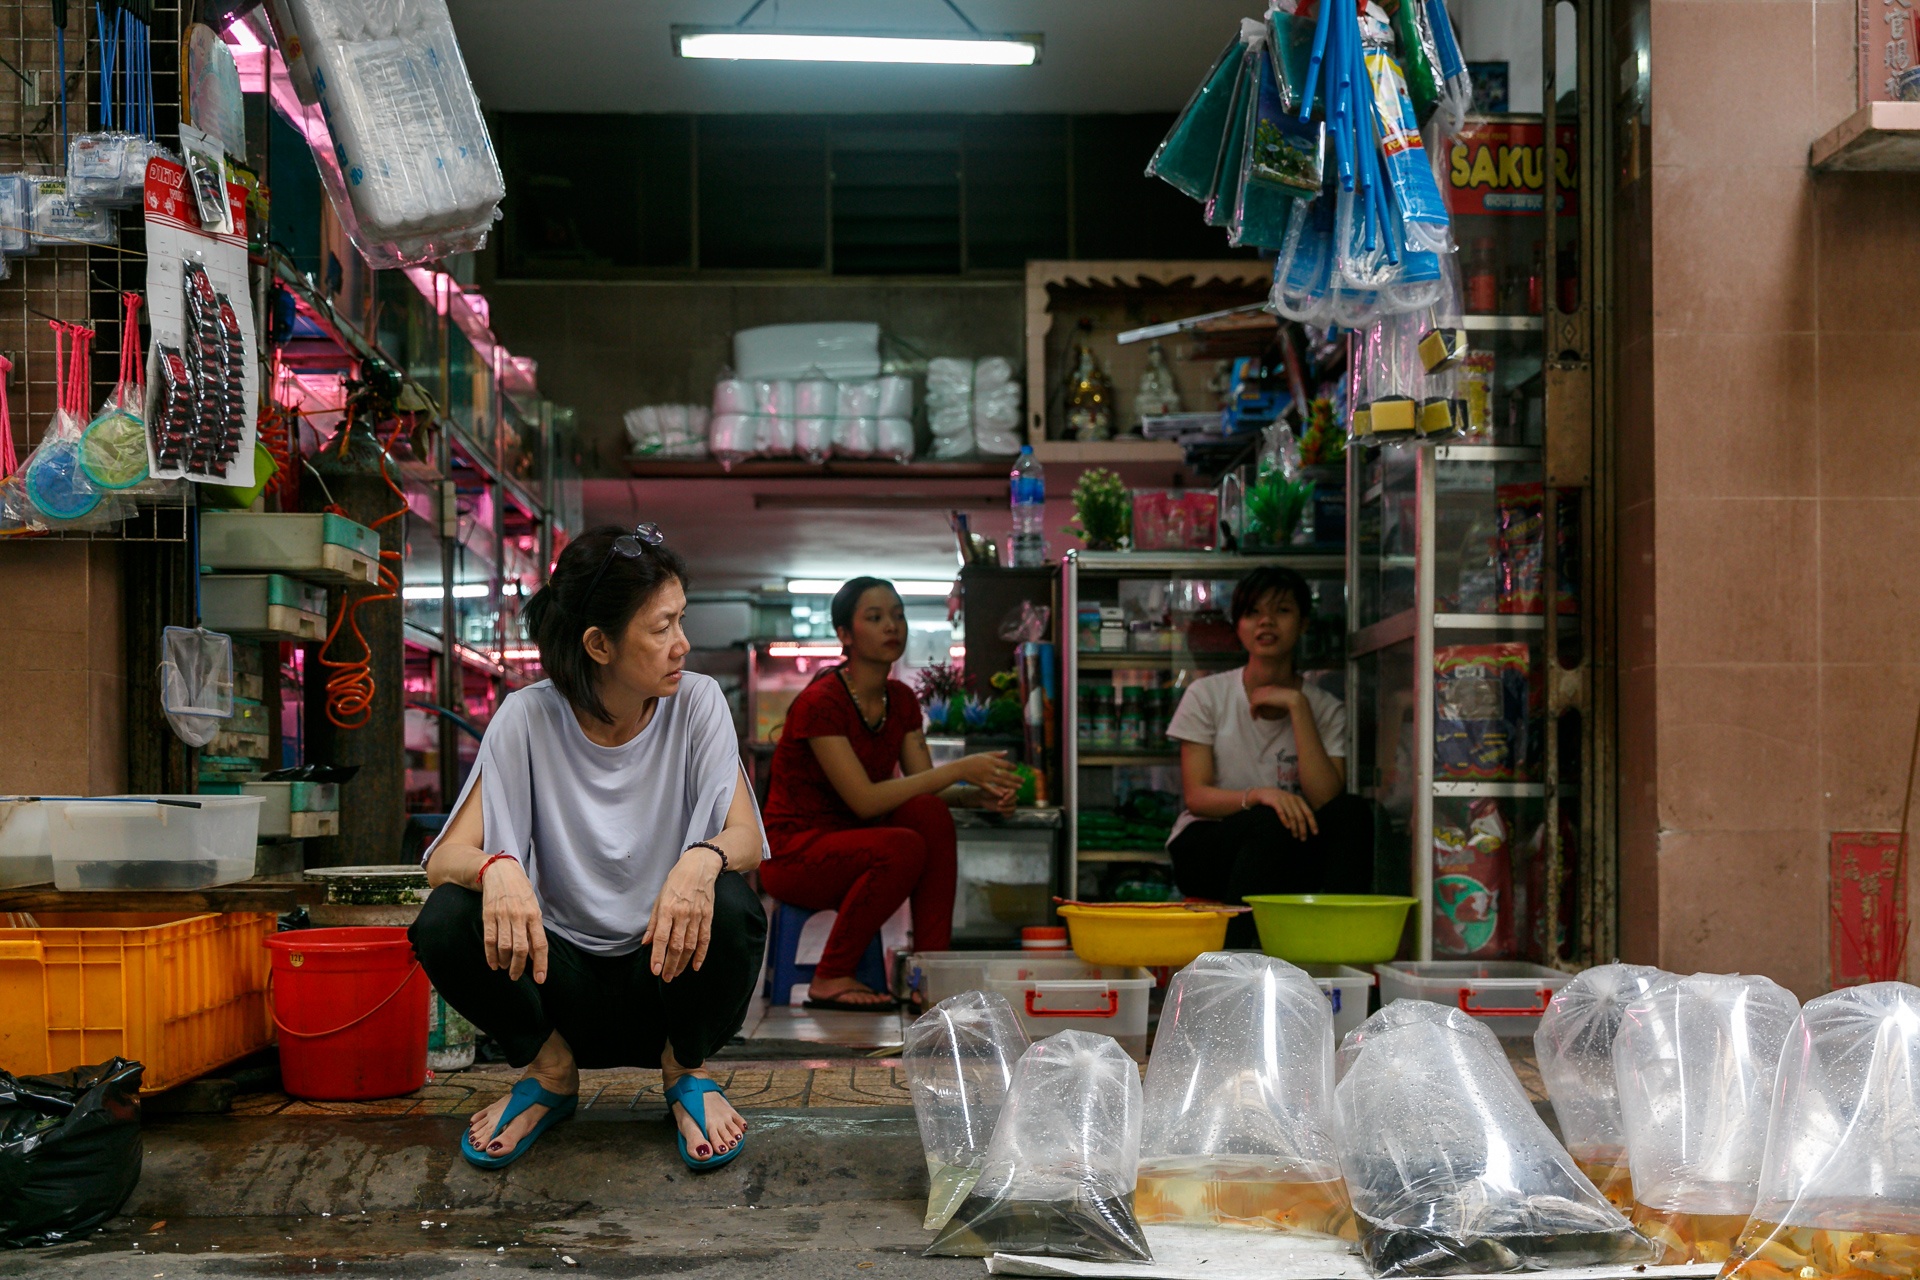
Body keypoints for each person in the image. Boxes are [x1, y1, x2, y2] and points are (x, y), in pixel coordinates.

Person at [409, 523, 769, 1172]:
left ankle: (684, 1070)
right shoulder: (527, 718)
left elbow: (745, 839)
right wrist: (498, 867)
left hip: (666, 978)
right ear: (599, 644)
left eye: (681, 620)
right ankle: (549, 1074)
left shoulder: (698, 705)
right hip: (557, 983)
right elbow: (441, 861)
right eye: (662, 628)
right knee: (443, 920)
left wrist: (701, 857)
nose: (682, 644)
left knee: (731, 900)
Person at [759, 576, 1021, 1011]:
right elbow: (865, 800)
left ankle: (932, 973)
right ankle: (830, 976)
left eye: (897, 616)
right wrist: (959, 769)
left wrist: (977, 795)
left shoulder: (900, 700)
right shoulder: (821, 702)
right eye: (875, 618)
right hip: (793, 854)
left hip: (859, 840)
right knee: (901, 847)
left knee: (928, 816)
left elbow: (922, 789)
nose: (891, 626)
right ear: (845, 634)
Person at [1164, 566, 1374, 948]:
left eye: (1281, 611)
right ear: (1238, 626)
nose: (1266, 622)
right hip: (1209, 847)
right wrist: (1262, 794)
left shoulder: (1323, 707)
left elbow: (1328, 799)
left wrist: (1297, 706)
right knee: (1267, 819)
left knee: (1353, 812)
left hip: (1288, 849)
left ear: (1303, 623)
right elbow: (1197, 796)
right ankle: (1241, 966)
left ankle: (1346, 953)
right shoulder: (1206, 695)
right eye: (1252, 613)